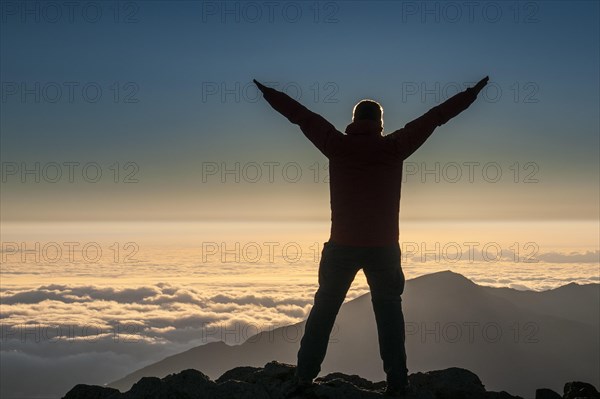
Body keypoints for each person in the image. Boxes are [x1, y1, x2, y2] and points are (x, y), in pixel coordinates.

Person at [254, 76, 489, 397]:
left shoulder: (336, 145)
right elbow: (435, 117)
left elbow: (302, 116)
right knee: (389, 314)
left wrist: (269, 93)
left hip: (341, 247)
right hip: (384, 249)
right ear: (379, 123)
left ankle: (303, 379)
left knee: (324, 310)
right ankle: (398, 384)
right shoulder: (394, 147)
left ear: (354, 121)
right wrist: (470, 94)